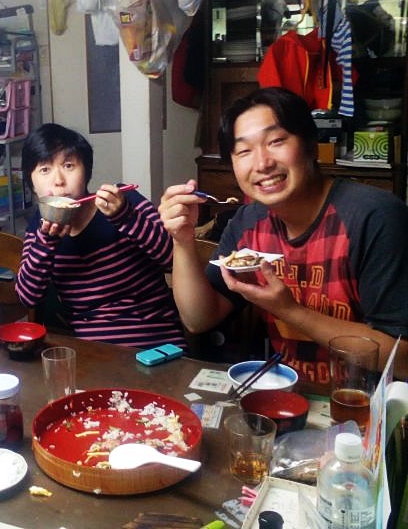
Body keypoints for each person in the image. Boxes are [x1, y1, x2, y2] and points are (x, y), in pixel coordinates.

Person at [159, 87, 408, 393]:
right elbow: (199, 319)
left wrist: (289, 311)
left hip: (367, 403)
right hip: (285, 394)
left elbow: (403, 358)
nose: (262, 163)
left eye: (276, 141)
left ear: (311, 146)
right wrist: (182, 240)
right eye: (244, 151)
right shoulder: (248, 223)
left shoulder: (374, 217)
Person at [16, 123, 186, 349]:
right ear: (32, 183)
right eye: (45, 170)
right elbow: (28, 297)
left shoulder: (124, 200)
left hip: (156, 338)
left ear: (85, 172)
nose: (58, 180)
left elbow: (172, 259)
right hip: (93, 350)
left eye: (68, 165)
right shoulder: (40, 226)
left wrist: (125, 216)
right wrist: (46, 242)